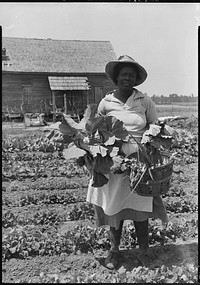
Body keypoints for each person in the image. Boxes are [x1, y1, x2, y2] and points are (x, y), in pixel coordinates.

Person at [86, 55, 169, 269]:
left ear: (136, 79)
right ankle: (114, 251)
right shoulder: (106, 102)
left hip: (139, 160)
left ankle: (144, 251)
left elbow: (155, 124)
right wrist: (95, 149)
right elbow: (95, 130)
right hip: (113, 160)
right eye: (124, 74)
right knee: (115, 206)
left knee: (140, 205)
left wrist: (151, 135)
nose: (127, 78)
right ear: (116, 77)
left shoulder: (144, 100)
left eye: (131, 75)